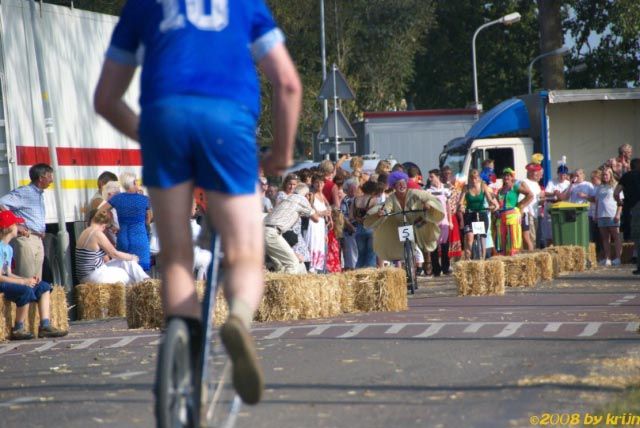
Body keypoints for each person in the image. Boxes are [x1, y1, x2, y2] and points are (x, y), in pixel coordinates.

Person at [94, 0, 302, 405]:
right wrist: (280, 155)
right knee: (245, 253)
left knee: (175, 256)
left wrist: (152, 135)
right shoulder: (246, 5)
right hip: (228, 121)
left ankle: (186, 360)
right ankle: (238, 321)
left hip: (165, 118)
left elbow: (106, 99)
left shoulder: (142, 5)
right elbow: (289, 84)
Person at [0, 210, 67, 340]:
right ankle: (18, 328)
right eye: (15, 224)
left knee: (43, 286)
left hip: (6, 280)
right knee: (24, 290)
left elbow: (8, 273)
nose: (18, 227)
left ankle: (45, 325)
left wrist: (27, 279)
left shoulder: (8, 248)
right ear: (8, 228)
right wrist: (23, 282)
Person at [364, 171, 444, 271]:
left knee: (425, 237)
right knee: (403, 243)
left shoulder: (414, 193)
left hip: (416, 220)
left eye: (403, 183)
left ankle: (427, 260)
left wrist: (427, 204)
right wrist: (382, 212)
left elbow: (427, 197)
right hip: (401, 223)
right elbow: (387, 208)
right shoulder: (392, 198)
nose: (402, 186)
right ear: (394, 186)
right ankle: (407, 263)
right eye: (399, 184)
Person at [0, 163, 53, 279]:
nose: (51, 180)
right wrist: (15, 225)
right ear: (40, 178)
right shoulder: (25, 192)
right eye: (49, 176)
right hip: (26, 239)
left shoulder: (38, 195)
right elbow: (1, 203)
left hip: (37, 239)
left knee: (36, 281)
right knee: (26, 279)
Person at [76, 209, 149, 284]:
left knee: (126, 262)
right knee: (128, 276)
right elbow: (114, 253)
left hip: (87, 275)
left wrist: (129, 259)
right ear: (103, 224)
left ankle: (147, 281)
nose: (104, 230)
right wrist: (133, 257)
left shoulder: (85, 232)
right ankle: (147, 284)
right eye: (105, 227)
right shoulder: (97, 234)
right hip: (93, 275)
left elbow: (106, 258)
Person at [98, 172, 152, 271]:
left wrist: (110, 226)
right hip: (140, 239)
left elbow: (101, 211)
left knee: (124, 271)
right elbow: (149, 218)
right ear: (135, 182)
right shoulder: (144, 200)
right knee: (141, 274)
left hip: (123, 239)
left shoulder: (117, 198)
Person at [264, 184, 319, 274]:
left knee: (280, 265)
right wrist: (310, 203)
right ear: (307, 195)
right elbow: (316, 219)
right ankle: (287, 288)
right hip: (272, 233)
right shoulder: (302, 200)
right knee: (292, 263)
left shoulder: (286, 199)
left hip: (263, 231)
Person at [458, 169, 498, 260]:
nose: (473, 180)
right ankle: (468, 260)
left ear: (479, 178)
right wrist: (461, 207)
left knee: (483, 238)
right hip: (470, 214)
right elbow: (461, 202)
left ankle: (482, 260)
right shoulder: (466, 187)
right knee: (469, 237)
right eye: (471, 177)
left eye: (475, 177)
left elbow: (489, 199)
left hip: (482, 213)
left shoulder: (483, 186)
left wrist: (492, 205)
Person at [493, 168, 533, 256]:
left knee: (513, 240)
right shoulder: (500, 190)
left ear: (512, 177)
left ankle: (513, 258)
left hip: (512, 217)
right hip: (501, 217)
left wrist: (521, 205)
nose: (506, 177)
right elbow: (497, 203)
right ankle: (503, 259)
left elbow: (530, 195)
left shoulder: (515, 187)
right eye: (504, 175)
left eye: (508, 175)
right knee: (501, 241)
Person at [590, 168, 622, 266]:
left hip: (612, 214)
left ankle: (618, 258)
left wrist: (618, 214)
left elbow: (620, 202)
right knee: (605, 238)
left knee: (616, 237)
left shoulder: (616, 185)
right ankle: (607, 258)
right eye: (603, 175)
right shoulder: (600, 187)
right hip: (601, 215)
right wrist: (596, 215)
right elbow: (598, 201)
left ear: (611, 175)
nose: (604, 176)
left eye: (606, 174)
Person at [615, 158, 640, 274]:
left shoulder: (626, 176)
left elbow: (616, 192)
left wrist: (619, 202)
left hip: (634, 208)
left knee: (637, 237)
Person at [305, 173, 332, 273]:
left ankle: (316, 270)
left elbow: (328, 207)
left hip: (321, 225)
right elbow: (310, 211)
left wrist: (329, 218)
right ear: (313, 184)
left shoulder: (322, 195)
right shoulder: (311, 195)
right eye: (317, 183)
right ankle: (311, 270)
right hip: (313, 225)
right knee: (313, 246)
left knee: (320, 248)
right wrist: (323, 213)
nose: (320, 185)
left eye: (321, 183)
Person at [426, 169, 451, 275]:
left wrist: (450, 221)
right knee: (434, 245)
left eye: (432, 176)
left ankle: (446, 267)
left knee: (445, 245)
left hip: (444, 220)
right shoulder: (428, 191)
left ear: (437, 176)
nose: (430, 179)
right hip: (434, 221)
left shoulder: (446, 189)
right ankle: (436, 269)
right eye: (429, 177)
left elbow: (448, 206)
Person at [542, 164, 571, 246]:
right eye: (561, 174)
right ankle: (549, 246)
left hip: (563, 208)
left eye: (564, 174)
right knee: (550, 231)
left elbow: (567, 196)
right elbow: (546, 193)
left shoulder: (568, 183)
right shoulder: (552, 182)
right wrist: (553, 193)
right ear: (558, 174)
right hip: (552, 207)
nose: (562, 176)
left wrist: (560, 195)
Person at [353, 180, 378, 268]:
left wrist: (359, 219)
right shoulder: (374, 200)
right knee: (371, 255)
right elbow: (376, 215)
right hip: (371, 228)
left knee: (360, 256)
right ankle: (370, 276)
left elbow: (351, 216)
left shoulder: (356, 199)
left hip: (359, 229)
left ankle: (357, 275)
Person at [521, 163, 543, 251]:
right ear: (529, 172)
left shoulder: (536, 184)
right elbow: (522, 198)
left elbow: (537, 200)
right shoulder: (525, 182)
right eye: (535, 172)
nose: (537, 174)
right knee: (531, 237)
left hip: (535, 213)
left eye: (537, 172)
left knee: (535, 237)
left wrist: (543, 199)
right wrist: (526, 211)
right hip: (528, 213)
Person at [341, 178, 359, 270]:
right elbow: (343, 216)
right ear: (347, 190)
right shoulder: (346, 200)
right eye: (351, 189)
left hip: (359, 228)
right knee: (351, 256)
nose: (353, 191)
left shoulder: (359, 198)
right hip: (350, 230)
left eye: (354, 188)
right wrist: (351, 227)